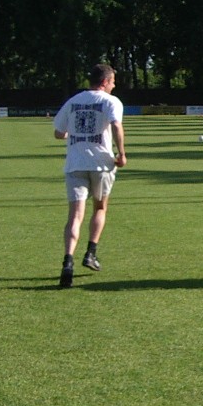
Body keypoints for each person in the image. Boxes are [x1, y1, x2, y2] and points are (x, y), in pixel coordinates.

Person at [53, 63, 126, 288]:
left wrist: (77, 135)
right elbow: (116, 125)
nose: (114, 86)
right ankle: (90, 253)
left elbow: (59, 133)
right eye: (113, 82)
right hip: (101, 164)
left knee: (75, 216)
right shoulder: (111, 101)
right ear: (104, 82)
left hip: (75, 164)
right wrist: (122, 153)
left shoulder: (73, 101)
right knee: (100, 208)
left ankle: (68, 262)